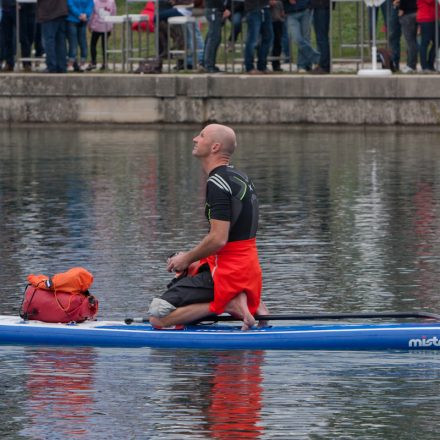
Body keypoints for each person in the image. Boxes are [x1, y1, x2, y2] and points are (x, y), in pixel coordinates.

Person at [148, 124, 268, 331]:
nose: (195, 139)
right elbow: (234, 238)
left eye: (201, 136)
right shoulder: (240, 177)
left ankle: (229, 303)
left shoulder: (217, 182)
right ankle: (250, 305)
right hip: (248, 270)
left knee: (158, 317)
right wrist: (192, 261)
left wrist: (186, 259)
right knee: (190, 274)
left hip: (227, 273)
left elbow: (219, 239)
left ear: (215, 147)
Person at [283, 0, 320, 72]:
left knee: (306, 39)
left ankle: (302, 65)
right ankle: (318, 58)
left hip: (305, 10)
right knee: (297, 39)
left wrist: (310, 5)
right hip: (290, 13)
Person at [37, 0, 68, 73]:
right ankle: (62, 66)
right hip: (61, 11)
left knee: (49, 40)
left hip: (49, 12)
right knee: (61, 41)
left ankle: (51, 66)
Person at [244, 0, 274, 74]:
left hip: (265, 8)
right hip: (254, 9)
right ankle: (249, 67)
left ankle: (262, 65)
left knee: (268, 37)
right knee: (252, 39)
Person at [86, 0, 116, 71]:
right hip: (107, 27)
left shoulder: (94, 2)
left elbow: (91, 14)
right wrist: (112, 25)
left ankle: (93, 62)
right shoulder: (112, 2)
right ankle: (105, 63)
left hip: (96, 27)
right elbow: (113, 14)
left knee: (93, 44)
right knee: (105, 46)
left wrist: (89, 25)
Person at [202, 0, 230, 72]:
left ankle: (206, 63)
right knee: (214, 38)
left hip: (215, 9)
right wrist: (224, 9)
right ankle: (209, 65)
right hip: (214, 9)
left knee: (212, 37)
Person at [66, 0, 94, 72]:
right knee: (73, 43)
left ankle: (82, 63)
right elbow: (70, 4)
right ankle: (70, 64)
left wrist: (86, 14)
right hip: (72, 20)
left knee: (83, 42)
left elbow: (90, 4)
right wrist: (79, 14)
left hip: (83, 21)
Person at [394, 0, 418, 73]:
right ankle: (413, 64)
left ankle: (411, 66)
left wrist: (401, 8)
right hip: (417, 13)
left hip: (407, 14)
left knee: (410, 42)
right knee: (413, 41)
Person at [417, 0, 439, 72]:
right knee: (425, 42)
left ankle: (430, 63)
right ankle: (424, 66)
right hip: (425, 18)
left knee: (437, 41)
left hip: (434, 18)